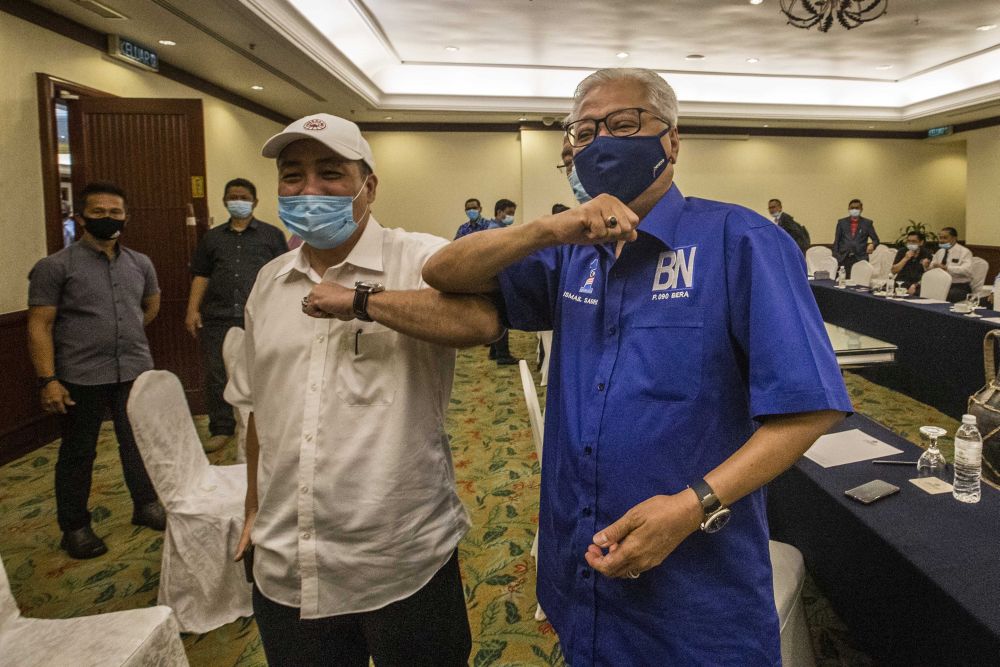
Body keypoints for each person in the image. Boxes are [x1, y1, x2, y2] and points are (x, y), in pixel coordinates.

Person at [423, 67, 851, 665]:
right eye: (584, 130)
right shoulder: (573, 253)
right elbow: (443, 273)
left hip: (695, 584)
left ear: (671, 140)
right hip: (583, 565)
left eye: (623, 124)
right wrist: (551, 226)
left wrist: (692, 505)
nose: (600, 142)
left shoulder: (740, 239)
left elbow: (812, 407)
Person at [231, 113, 503, 666]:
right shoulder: (270, 281)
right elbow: (261, 408)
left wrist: (362, 301)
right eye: (292, 176)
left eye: (330, 173)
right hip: (289, 557)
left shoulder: (417, 259)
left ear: (368, 185)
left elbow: (482, 323)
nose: (309, 190)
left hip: (400, 555)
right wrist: (254, 507)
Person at [27, 181, 166, 559]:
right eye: (99, 212)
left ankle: (146, 504)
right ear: (81, 217)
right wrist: (48, 380)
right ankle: (74, 526)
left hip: (133, 369)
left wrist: (122, 334)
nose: (108, 218)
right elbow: (39, 325)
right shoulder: (55, 266)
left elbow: (149, 308)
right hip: (80, 376)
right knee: (78, 452)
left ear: (126, 216)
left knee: (137, 444)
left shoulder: (141, 263)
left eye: (115, 212)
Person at [185, 178, 287, 452]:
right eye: (232, 196)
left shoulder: (272, 235)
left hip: (260, 317)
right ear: (224, 201)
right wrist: (192, 310)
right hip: (217, 315)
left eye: (243, 196)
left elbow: (283, 275)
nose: (237, 200)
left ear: (254, 202)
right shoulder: (212, 237)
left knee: (262, 372)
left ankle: (265, 424)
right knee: (217, 373)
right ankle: (221, 428)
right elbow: (201, 275)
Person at [455, 198, 519, 365]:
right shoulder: (466, 229)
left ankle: (496, 350)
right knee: (499, 311)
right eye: (468, 208)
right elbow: (455, 249)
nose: (471, 211)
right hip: (479, 275)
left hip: (488, 274)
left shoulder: (487, 226)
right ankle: (501, 353)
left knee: (496, 311)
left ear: (480, 208)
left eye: (474, 208)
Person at [923, 227, 974, 302]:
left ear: (954, 238)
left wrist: (947, 268)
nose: (941, 241)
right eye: (940, 238)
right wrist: (927, 266)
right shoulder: (940, 252)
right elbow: (932, 269)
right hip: (940, 284)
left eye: (945, 238)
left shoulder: (964, 252)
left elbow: (967, 271)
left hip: (959, 286)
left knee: (947, 295)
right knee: (922, 291)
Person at [833, 198, 879, 278]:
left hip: (860, 257)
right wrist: (837, 256)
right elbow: (837, 241)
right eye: (852, 208)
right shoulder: (841, 222)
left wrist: (872, 244)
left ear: (861, 209)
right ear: (848, 209)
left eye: (857, 208)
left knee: (859, 281)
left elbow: (876, 240)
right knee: (842, 281)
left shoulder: (867, 223)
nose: (854, 210)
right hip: (844, 258)